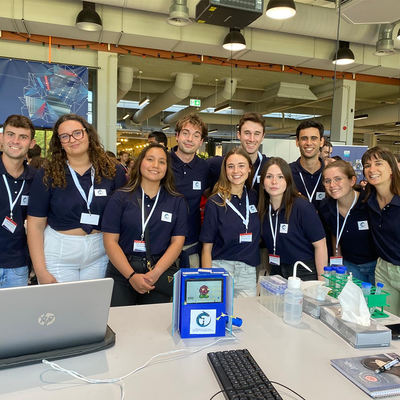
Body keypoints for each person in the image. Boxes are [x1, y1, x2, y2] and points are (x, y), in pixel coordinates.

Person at [27, 114, 127, 284]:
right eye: (64, 136)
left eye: (77, 133)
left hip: (100, 251)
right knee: (61, 308)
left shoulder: (112, 170)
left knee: (94, 307)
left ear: (88, 134)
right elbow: (35, 225)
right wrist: (40, 270)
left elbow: (124, 216)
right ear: (60, 142)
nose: (72, 139)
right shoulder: (47, 173)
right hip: (60, 252)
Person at [102, 143, 187, 306]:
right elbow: (110, 242)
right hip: (122, 272)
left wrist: (156, 273)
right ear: (140, 162)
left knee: (153, 327)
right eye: (150, 159)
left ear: (167, 168)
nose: (155, 165)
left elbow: (177, 242)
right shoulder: (120, 198)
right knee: (120, 325)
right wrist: (131, 276)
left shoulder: (177, 201)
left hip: (158, 273)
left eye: (162, 162)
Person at [200, 148, 260, 297]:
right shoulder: (215, 202)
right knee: (218, 317)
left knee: (246, 317)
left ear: (249, 169)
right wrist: (208, 279)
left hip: (248, 272)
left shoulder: (255, 197)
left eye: (241, 165)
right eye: (230, 166)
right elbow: (207, 248)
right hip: (220, 269)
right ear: (225, 170)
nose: (236, 171)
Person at [259, 157, 327, 281]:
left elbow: (320, 245)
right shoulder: (263, 209)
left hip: (303, 270)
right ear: (263, 182)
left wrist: (321, 281)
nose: (274, 182)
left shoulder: (302, 207)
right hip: (276, 270)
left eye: (280, 177)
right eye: (269, 177)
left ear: (288, 181)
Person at [319, 160, 377, 284]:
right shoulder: (326, 207)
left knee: (375, 303)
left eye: (338, 179)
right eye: (327, 181)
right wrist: (337, 256)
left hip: (376, 266)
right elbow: (334, 231)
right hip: (349, 265)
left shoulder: (369, 202)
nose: (332, 185)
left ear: (352, 181)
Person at [362, 146, 400, 315]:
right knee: (384, 320)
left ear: (392, 168)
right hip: (383, 269)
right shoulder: (369, 200)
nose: (372, 169)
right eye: (367, 165)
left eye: (378, 163)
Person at [0, 115, 37, 288]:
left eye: (23, 137)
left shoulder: (37, 179)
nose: (15, 141)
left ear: (31, 143)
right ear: (1, 137)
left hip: (18, 266)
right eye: (10, 134)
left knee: (14, 315)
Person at [170, 114, 210, 268]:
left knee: (190, 289)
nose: (189, 139)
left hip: (191, 241)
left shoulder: (204, 168)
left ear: (201, 142)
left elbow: (208, 194)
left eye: (196, 135)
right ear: (177, 136)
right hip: (161, 241)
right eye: (186, 133)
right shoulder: (163, 163)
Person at [208, 112, 269, 194]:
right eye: (247, 133)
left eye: (257, 134)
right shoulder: (218, 164)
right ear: (239, 135)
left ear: (262, 137)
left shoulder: (269, 167)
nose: (251, 139)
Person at [289, 120, 326, 210]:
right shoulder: (286, 173)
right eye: (304, 138)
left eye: (314, 138)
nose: (309, 143)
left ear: (321, 142)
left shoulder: (330, 174)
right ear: (297, 142)